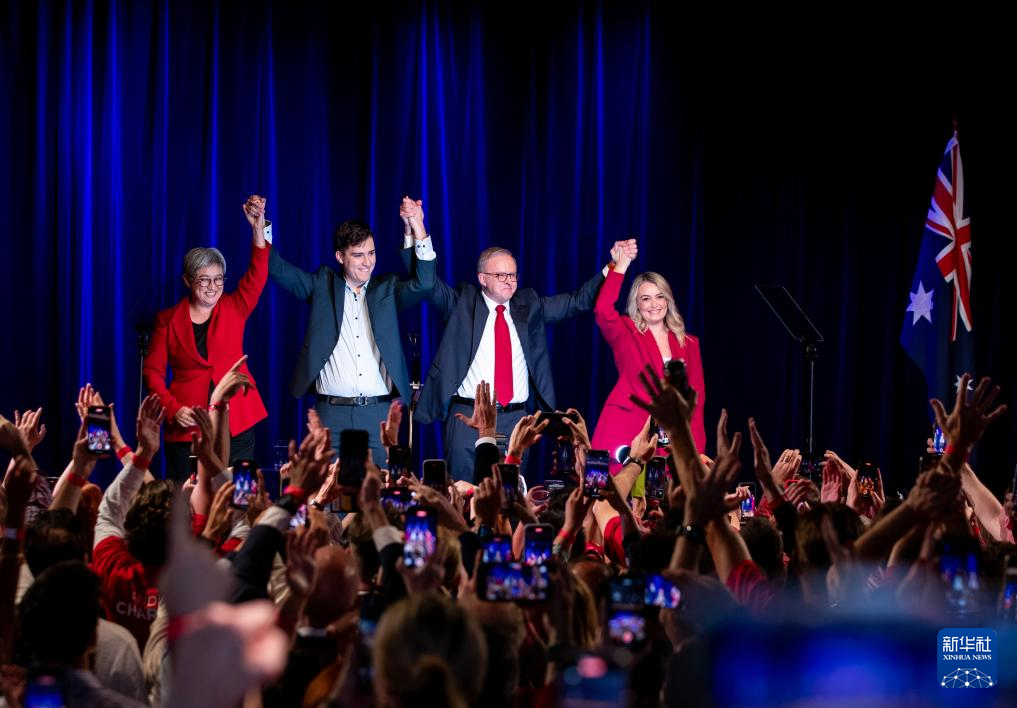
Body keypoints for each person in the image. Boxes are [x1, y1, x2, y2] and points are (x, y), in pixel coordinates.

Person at [412, 201, 621, 481]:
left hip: (515, 421)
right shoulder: (462, 302)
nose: (509, 281)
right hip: (469, 417)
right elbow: (427, 283)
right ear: (482, 278)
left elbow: (577, 301)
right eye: (501, 275)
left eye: (513, 275)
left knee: (511, 497)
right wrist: (418, 228)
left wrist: (613, 266)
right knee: (462, 493)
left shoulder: (528, 305)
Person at [268, 198, 436, 463]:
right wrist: (260, 227)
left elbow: (425, 283)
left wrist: (417, 226)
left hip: (379, 413)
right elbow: (277, 269)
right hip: (331, 414)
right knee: (327, 486)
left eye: (371, 253)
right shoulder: (322, 286)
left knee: (380, 487)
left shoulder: (387, 289)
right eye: (358, 255)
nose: (367, 262)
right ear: (340, 257)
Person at [143, 195, 270, 481]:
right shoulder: (166, 321)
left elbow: (258, 273)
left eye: (219, 279)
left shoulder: (235, 307)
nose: (213, 286)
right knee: (186, 499)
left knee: (239, 494)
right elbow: (152, 373)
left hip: (237, 418)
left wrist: (258, 229)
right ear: (188, 280)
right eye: (204, 279)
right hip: (187, 422)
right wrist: (173, 409)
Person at [590, 240, 706, 466]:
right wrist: (621, 265)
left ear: (668, 300)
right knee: (620, 487)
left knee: (663, 488)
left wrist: (696, 450)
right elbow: (602, 310)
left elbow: (696, 402)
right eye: (646, 298)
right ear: (637, 304)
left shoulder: (690, 343)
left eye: (659, 296)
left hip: (670, 437)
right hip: (626, 429)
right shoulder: (626, 331)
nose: (654, 304)